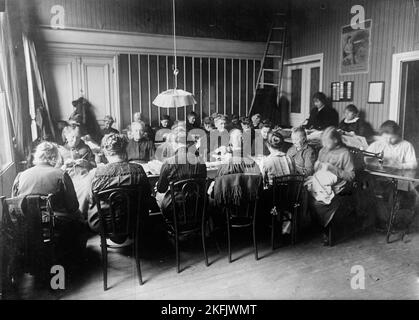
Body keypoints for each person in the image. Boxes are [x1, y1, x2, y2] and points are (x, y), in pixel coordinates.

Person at [12, 142, 87, 263]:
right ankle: (75, 257)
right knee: (79, 217)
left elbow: (14, 204)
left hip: (29, 225)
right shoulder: (61, 175)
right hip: (56, 224)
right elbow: (73, 206)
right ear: (53, 158)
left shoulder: (20, 176)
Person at [88, 133, 152, 244]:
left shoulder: (95, 173)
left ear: (105, 152)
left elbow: (91, 200)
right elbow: (147, 195)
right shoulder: (138, 169)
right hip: (134, 221)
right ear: (125, 150)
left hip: (104, 224)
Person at [306, 127, 355, 245]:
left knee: (321, 200)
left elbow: (351, 176)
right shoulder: (323, 150)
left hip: (339, 184)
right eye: (323, 142)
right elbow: (316, 171)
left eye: (327, 142)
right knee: (306, 192)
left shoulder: (345, 153)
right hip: (322, 181)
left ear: (336, 140)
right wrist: (316, 165)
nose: (324, 145)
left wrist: (334, 169)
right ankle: (320, 226)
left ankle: (326, 230)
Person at [155, 128, 207, 221]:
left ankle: (169, 226)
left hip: (175, 208)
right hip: (198, 205)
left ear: (174, 143)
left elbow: (161, 189)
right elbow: (203, 186)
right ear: (188, 143)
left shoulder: (168, 162)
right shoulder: (200, 161)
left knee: (158, 196)